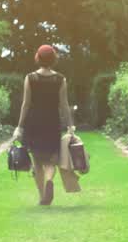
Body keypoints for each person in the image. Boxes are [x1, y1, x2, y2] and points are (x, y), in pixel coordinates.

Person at [12, 44, 80, 205]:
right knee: (50, 160)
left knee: (37, 161)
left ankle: (43, 196)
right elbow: (64, 105)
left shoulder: (30, 78)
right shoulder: (60, 79)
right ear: (53, 59)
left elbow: (26, 104)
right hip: (52, 122)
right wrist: (70, 126)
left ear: (38, 58)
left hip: (34, 123)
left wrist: (19, 126)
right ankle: (50, 180)